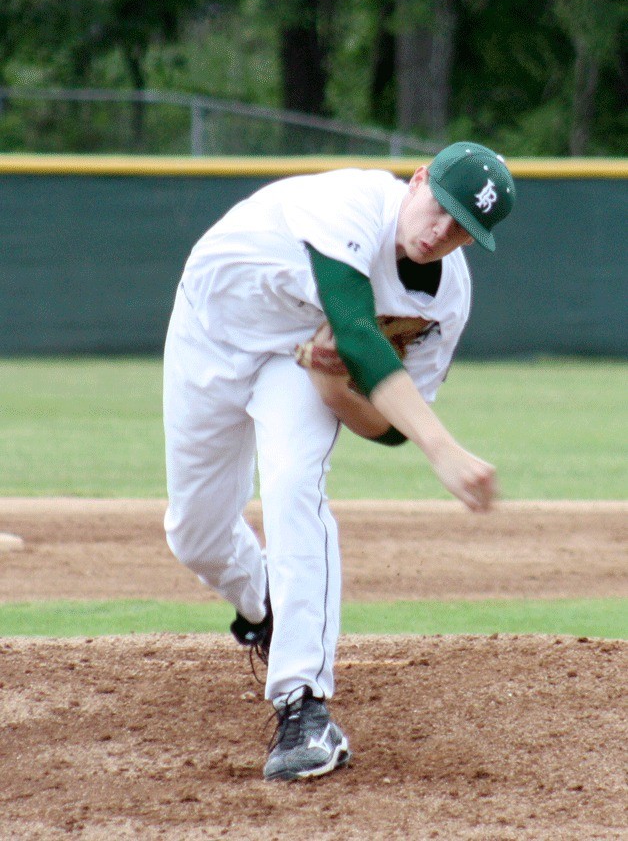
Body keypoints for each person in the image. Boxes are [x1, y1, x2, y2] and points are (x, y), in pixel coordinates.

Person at [162, 141, 516, 782]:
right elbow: (354, 330)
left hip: (296, 357)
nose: (442, 232)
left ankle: (303, 707)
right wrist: (446, 449)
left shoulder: (444, 306)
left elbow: (386, 431)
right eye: (441, 208)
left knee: (294, 485)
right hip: (211, 329)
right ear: (415, 182)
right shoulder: (353, 203)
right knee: (195, 534)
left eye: (464, 227)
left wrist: (332, 390)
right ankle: (267, 604)